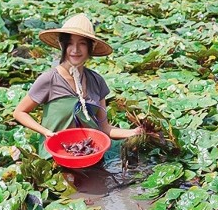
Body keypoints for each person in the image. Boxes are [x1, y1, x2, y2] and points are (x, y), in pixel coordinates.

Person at [13, 13, 141, 161]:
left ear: (91, 47)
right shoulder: (49, 79)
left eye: (82, 44)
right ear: (62, 45)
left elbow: (104, 128)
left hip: (89, 152)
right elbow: (19, 112)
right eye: (70, 43)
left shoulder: (97, 81)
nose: (75, 50)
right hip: (55, 156)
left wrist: (133, 132)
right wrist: (46, 132)